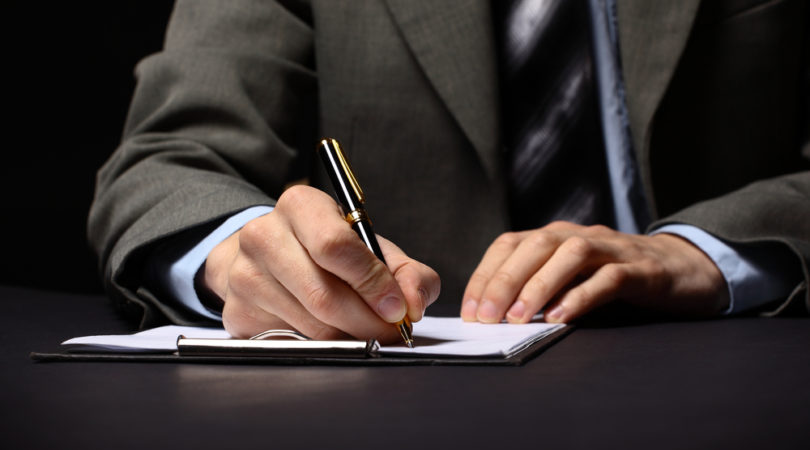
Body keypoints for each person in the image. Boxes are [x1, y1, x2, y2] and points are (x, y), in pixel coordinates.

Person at [89, 0, 810, 342]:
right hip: (390, 419)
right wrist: (249, 253)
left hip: (722, 377)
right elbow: (169, 157)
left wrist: (706, 254)